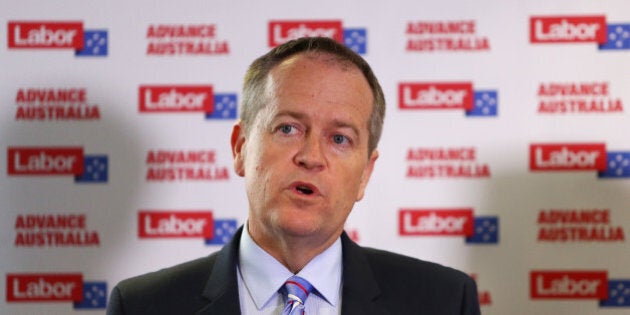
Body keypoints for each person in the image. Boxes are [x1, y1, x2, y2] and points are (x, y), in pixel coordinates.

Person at [106, 37, 481, 315]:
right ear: (240, 148)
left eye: (339, 138)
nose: (310, 156)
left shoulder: (444, 302)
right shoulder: (142, 306)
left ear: (366, 173)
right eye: (288, 128)